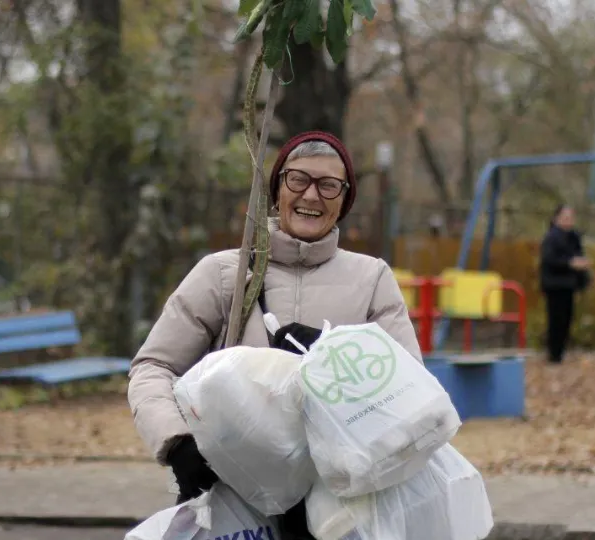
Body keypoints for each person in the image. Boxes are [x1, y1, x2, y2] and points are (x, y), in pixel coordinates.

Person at [127, 131, 421, 537]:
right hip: (231, 493)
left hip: (339, 510)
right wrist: (177, 443)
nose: (312, 196)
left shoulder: (372, 279)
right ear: (278, 187)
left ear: (344, 199)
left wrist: (333, 354)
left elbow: (411, 387)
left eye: (329, 185)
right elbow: (152, 366)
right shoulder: (225, 274)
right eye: (298, 179)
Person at [539, 204, 590, 364]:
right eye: (565, 217)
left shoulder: (574, 237)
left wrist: (583, 276)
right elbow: (550, 260)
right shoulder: (551, 238)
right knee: (556, 319)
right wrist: (570, 263)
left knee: (566, 320)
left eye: (570, 218)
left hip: (569, 284)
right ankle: (554, 354)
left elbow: (579, 256)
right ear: (556, 219)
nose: (568, 221)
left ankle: (560, 352)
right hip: (554, 284)